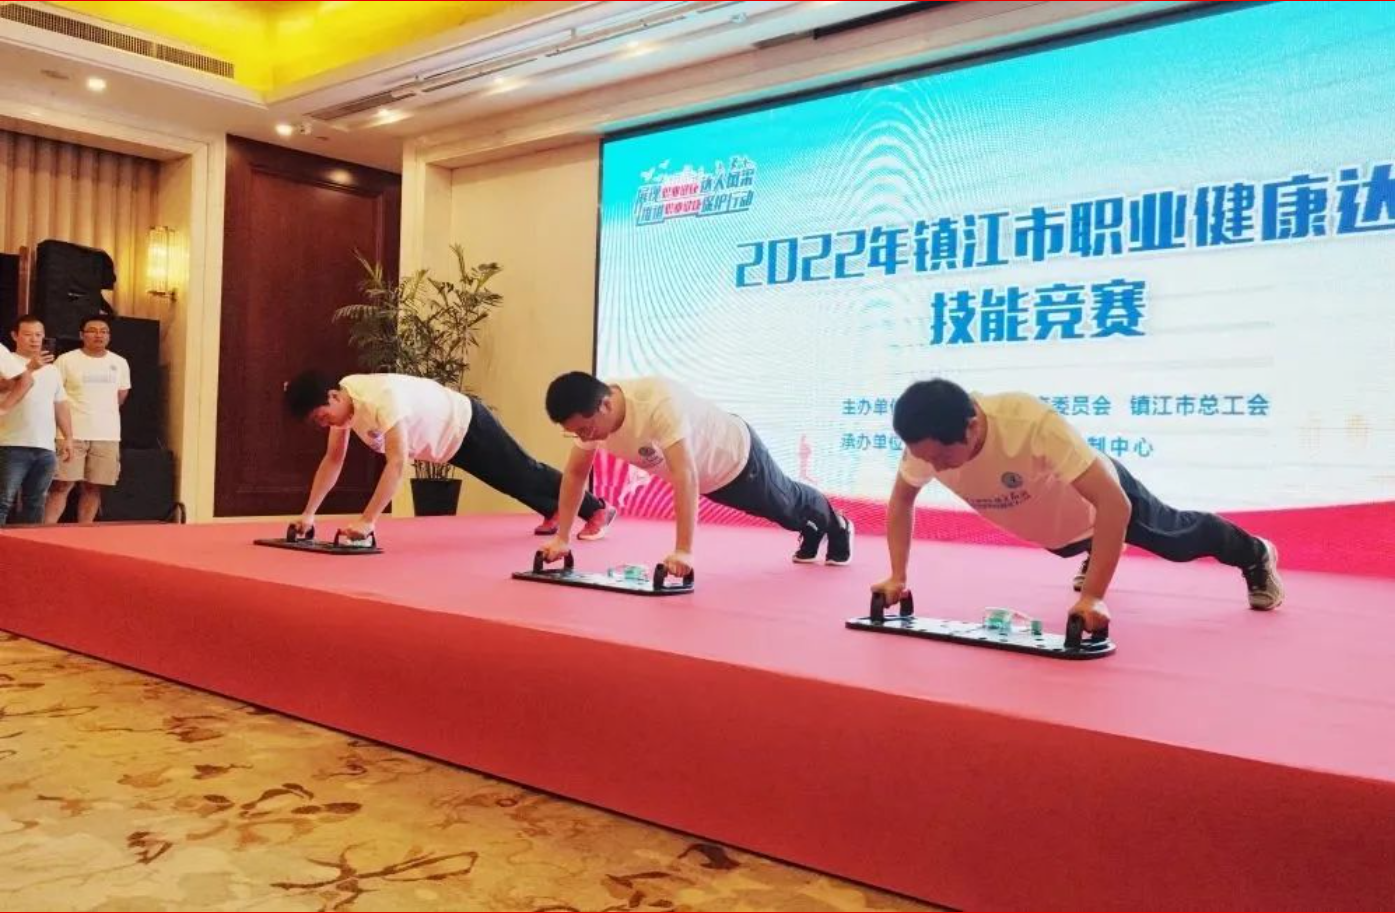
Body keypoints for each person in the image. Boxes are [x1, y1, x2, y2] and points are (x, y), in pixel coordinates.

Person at [871, 378, 1284, 632]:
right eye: (925, 458)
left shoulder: (1029, 423)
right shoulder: (927, 445)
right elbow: (902, 500)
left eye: (942, 458)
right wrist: (897, 575)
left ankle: (1255, 553)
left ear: (972, 426)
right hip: (1060, 528)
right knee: (1071, 542)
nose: (934, 467)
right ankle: (1098, 549)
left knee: (1179, 541)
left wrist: (1093, 596)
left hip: (1106, 500)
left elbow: (1112, 503)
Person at [541, 372, 853, 577]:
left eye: (585, 429)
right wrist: (561, 538)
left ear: (605, 405)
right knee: (784, 515)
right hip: (709, 479)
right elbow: (575, 475)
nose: (584, 437)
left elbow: (684, 473)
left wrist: (683, 551)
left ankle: (837, 525)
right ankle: (813, 528)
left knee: (787, 505)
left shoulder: (656, 402)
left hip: (738, 458)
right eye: (575, 432)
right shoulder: (592, 420)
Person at [283, 370, 616, 541]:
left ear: (333, 396)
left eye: (322, 416)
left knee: (524, 470)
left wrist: (367, 521)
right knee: (506, 481)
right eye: (317, 422)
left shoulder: (380, 398)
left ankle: (597, 509)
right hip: (448, 445)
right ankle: (553, 510)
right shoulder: (344, 408)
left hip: (467, 422)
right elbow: (333, 460)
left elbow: (397, 462)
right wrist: (308, 514)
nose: (324, 424)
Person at [45, 316, 131, 523]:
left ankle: (84, 532)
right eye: (92, 330)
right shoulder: (66, 360)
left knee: (94, 487)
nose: (98, 335)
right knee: (61, 485)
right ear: (82, 335)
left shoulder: (119, 362)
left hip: (107, 434)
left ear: (109, 336)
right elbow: (54, 395)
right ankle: (45, 530)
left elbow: (121, 395)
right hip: (70, 434)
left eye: (104, 331)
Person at [0, 316, 72, 527]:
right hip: (10, 442)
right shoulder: (7, 359)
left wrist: (68, 436)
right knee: (4, 499)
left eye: (38, 335)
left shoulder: (52, 370)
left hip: (44, 446)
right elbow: (3, 386)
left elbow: (60, 404)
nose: (34, 340)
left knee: (36, 501)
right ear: (15, 336)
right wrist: (30, 368)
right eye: (28, 334)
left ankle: (28, 542)